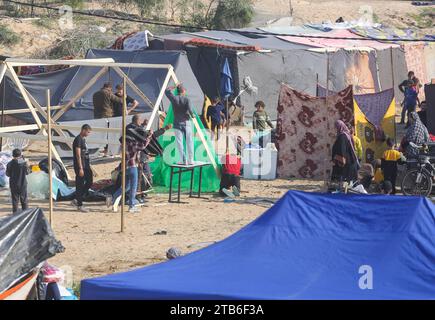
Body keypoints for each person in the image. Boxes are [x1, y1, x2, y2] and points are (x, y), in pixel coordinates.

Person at [112, 127, 151, 213]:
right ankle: (131, 206)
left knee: (125, 187)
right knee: (133, 187)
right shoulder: (132, 144)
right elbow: (143, 146)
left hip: (125, 167)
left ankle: (113, 198)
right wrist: (148, 137)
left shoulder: (123, 145)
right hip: (132, 166)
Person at [165, 83, 194, 164]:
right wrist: (192, 115)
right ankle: (191, 160)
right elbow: (190, 110)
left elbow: (167, 91)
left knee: (179, 142)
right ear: (183, 91)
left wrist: (175, 85)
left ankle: (183, 160)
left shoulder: (174, 99)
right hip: (186, 122)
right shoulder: (187, 99)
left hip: (177, 122)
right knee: (189, 141)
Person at [72, 124, 93, 213]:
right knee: (79, 184)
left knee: (89, 181)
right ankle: (79, 205)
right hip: (80, 165)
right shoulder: (78, 140)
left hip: (86, 165)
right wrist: (80, 168)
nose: (88, 134)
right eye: (88, 132)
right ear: (83, 130)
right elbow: (78, 155)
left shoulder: (83, 140)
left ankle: (77, 199)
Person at [6, 148, 29, 213]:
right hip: (23, 184)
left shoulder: (10, 163)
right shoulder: (24, 163)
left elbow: (7, 174)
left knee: (15, 201)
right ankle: (25, 215)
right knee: (24, 201)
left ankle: (15, 216)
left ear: (13, 155)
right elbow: (28, 172)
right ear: (20, 155)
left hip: (13, 184)